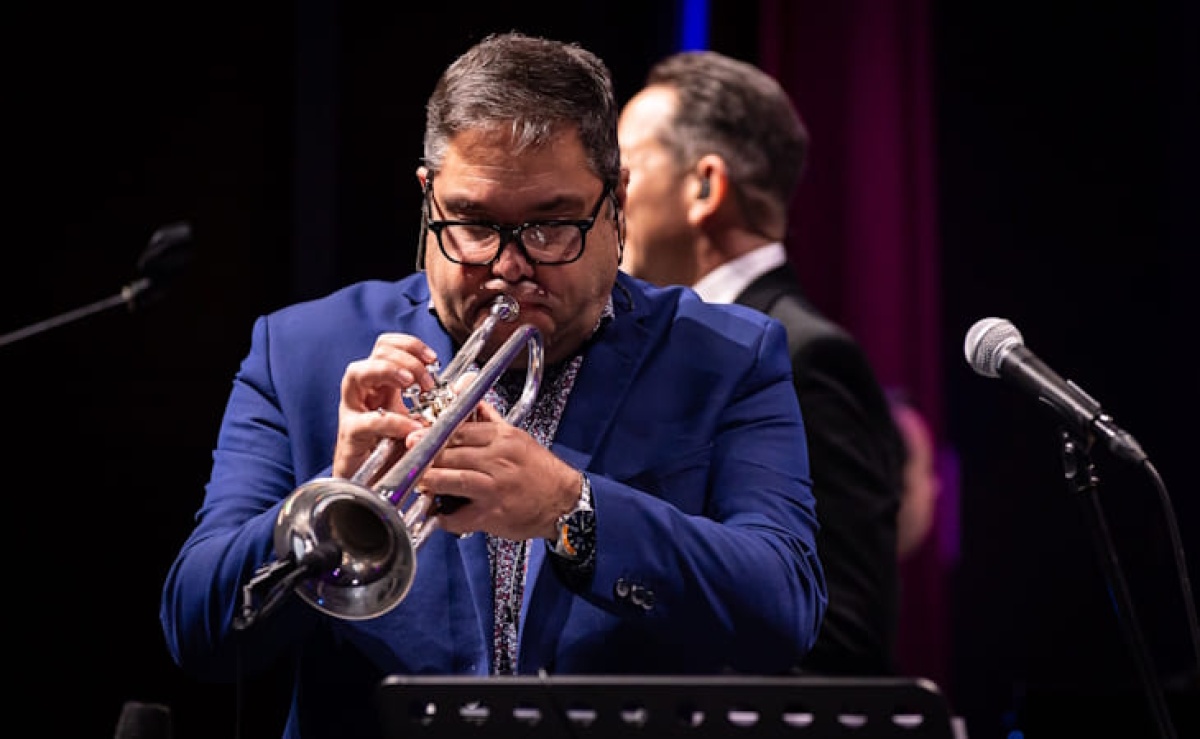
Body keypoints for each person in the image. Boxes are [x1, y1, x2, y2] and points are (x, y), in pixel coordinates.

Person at [160, 32, 827, 739]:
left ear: (617, 204)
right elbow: (197, 632)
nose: (510, 267)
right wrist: (333, 491)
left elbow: (783, 609)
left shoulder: (730, 358)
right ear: (428, 199)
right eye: (475, 225)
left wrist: (574, 511)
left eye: (551, 226)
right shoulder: (298, 352)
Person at [618, 50, 905, 676]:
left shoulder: (810, 357)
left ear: (704, 186)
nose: (608, 201)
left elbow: (842, 630)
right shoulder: (650, 341)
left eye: (624, 171)